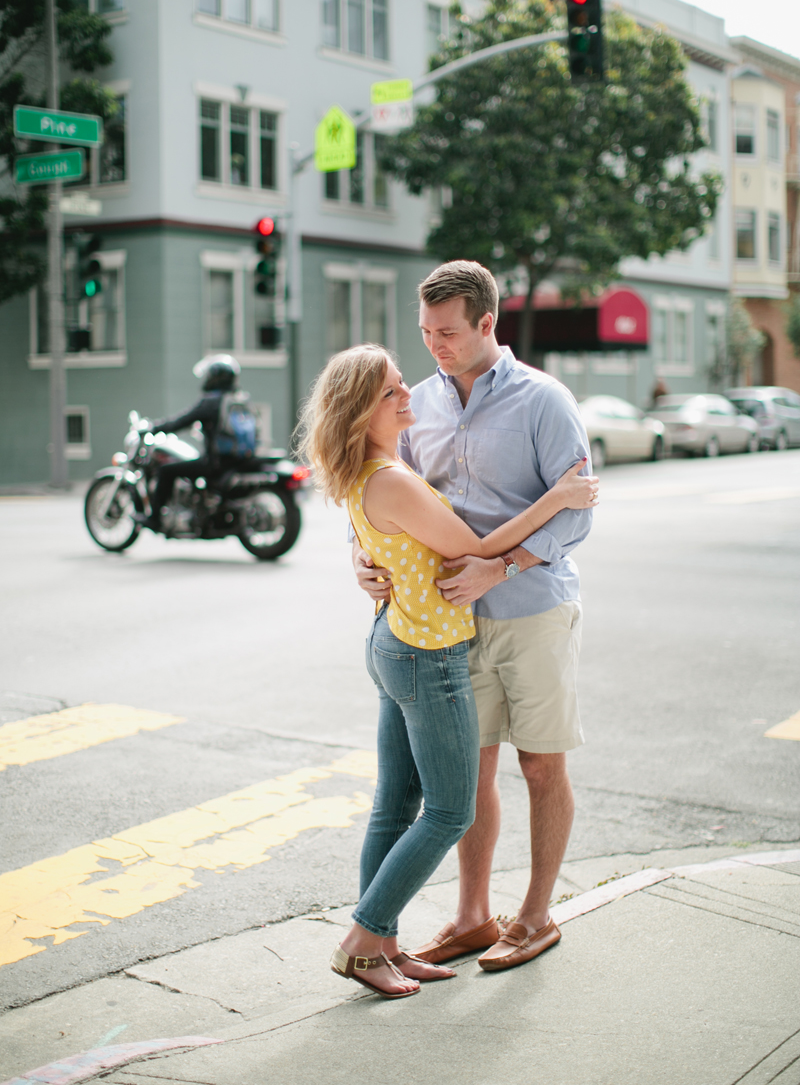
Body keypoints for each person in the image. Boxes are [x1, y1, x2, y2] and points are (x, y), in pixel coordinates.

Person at [298, 343, 598, 1000]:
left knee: (395, 806)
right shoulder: (393, 479)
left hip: (394, 640)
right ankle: (363, 938)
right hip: (426, 655)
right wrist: (560, 496)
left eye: (405, 384)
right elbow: (481, 548)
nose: (410, 393)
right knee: (450, 810)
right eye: (391, 391)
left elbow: (389, 536)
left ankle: (384, 949)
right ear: (360, 412)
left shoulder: (367, 469)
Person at [143, 353, 252, 531]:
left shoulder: (211, 402)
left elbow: (182, 421)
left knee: (166, 470)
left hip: (216, 463)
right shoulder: (239, 399)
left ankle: (155, 519)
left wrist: (155, 427)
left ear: (215, 377)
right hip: (238, 459)